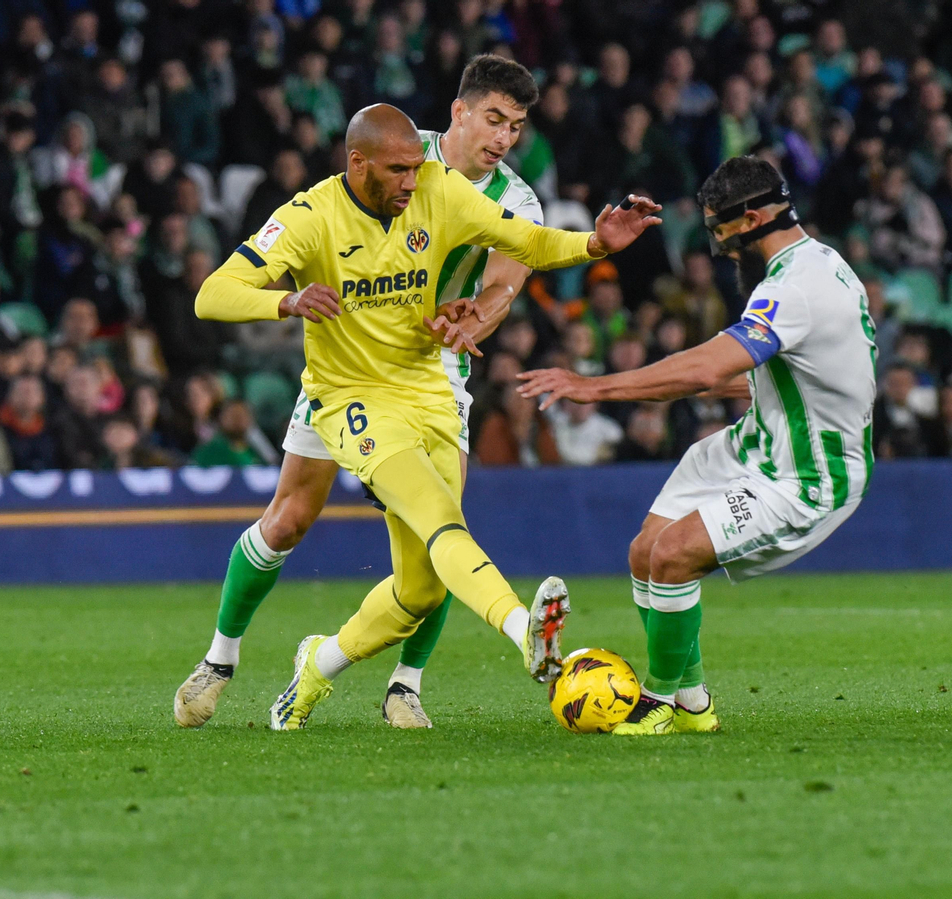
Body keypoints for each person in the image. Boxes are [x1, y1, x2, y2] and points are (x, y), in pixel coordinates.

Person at [192, 99, 660, 732]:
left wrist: (595, 244)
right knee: (436, 517)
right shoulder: (309, 216)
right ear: (358, 164)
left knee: (421, 589)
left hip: (428, 387)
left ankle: (317, 668)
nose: (412, 182)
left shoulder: (438, 188)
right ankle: (524, 631)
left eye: (417, 167)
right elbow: (212, 294)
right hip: (352, 398)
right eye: (398, 171)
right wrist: (286, 301)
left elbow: (526, 242)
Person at [174, 56, 548, 730]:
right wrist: (288, 295)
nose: (503, 137)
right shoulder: (399, 151)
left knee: (441, 528)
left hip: (435, 369)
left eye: (516, 127)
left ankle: (406, 684)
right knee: (289, 518)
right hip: (347, 364)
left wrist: (474, 319)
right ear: (459, 112)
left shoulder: (516, 201)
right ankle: (219, 658)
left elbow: (502, 284)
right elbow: (333, 217)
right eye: (494, 119)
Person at [519, 156, 876, 736]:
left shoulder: (795, 288)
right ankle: (691, 702)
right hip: (757, 440)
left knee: (674, 555)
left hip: (809, 472)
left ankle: (657, 702)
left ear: (752, 219)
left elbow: (710, 369)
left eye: (720, 230)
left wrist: (595, 387)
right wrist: (659, 387)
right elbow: (771, 376)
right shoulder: (814, 265)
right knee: (646, 552)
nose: (718, 249)